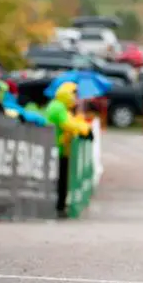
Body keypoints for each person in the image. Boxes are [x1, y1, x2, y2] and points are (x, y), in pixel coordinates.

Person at [43, 82, 93, 216]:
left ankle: (60, 205)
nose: (76, 99)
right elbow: (69, 124)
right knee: (59, 181)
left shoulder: (63, 108)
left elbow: (74, 121)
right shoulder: (58, 108)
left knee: (62, 180)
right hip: (55, 150)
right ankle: (58, 207)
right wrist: (86, 129)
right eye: (75, 96)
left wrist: (81, 118)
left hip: (61, 149)